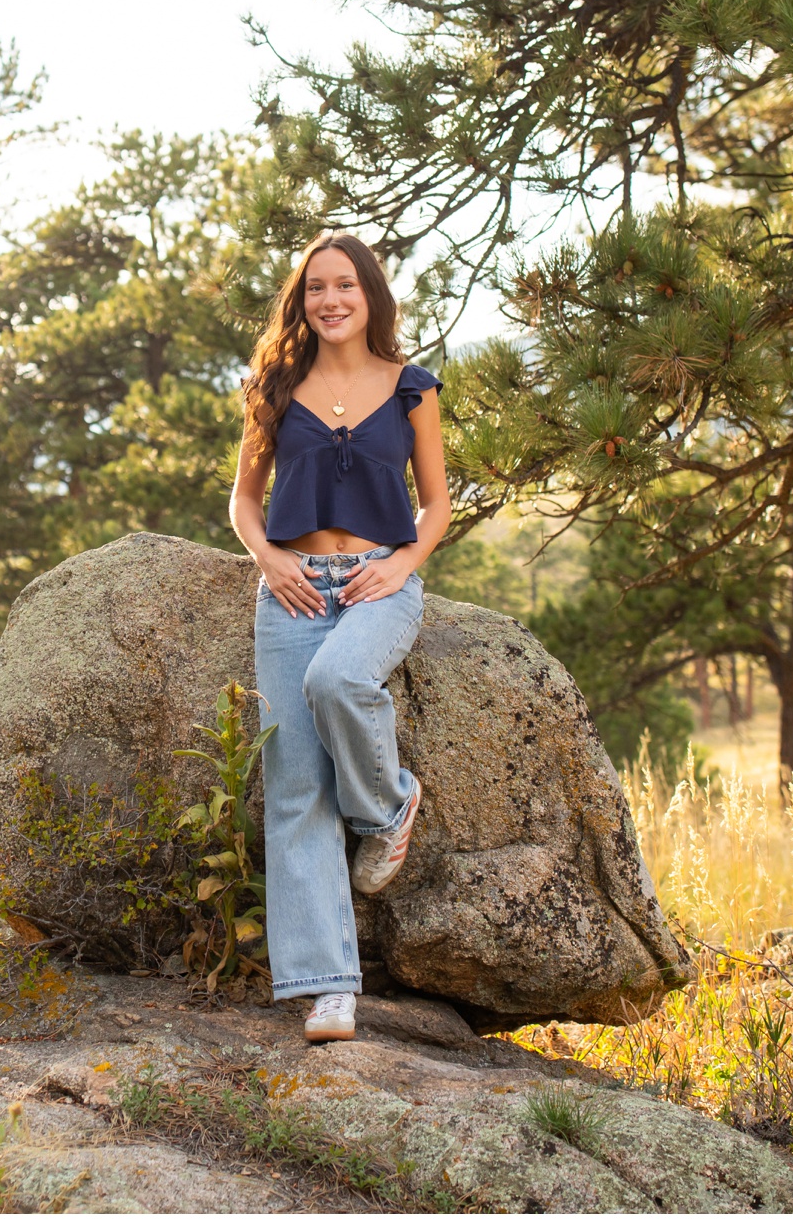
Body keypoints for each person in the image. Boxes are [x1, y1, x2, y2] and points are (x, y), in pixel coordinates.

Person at [228, 230, 448, 1044]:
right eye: (316, 287)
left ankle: (389, 807)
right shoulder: (274, 387)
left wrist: (404, 565)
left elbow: (436, 504)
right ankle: (327, 990)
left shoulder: (412, 388)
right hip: (289, 590)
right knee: (294, 788)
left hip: (377, 584)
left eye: (345, 286)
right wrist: (268, 559)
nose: (330, 300)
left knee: (339, 682)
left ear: (371, 296)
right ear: (302, 299)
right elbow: (245, 502)